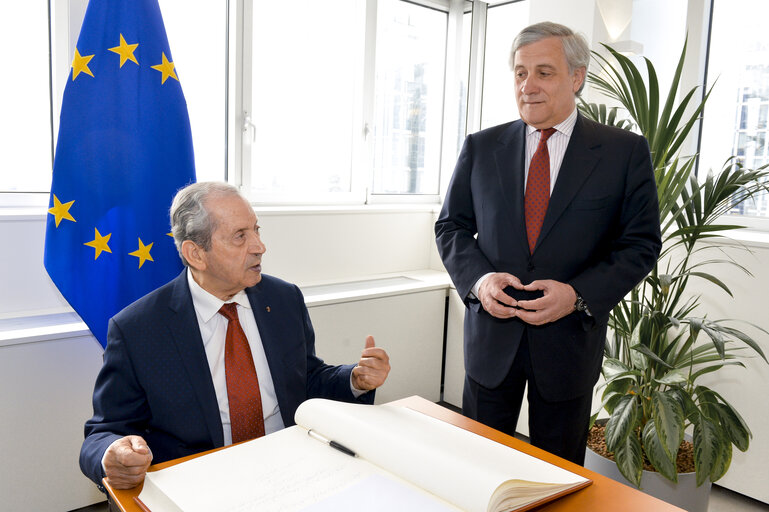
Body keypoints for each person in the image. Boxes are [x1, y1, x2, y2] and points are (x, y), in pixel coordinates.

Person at [434, 21, 661, 464]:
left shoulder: (622, 153)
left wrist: (577, 295)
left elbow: (639, 245)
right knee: (474, 463)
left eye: (544, 72)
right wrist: (479, 281)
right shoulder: (481, 148)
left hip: (567, 347)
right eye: (520, 73)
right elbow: (451, 227)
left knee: (556, 477)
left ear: (576, 78)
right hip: (490, 342)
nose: (528, 86)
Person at [80, 181, 391, 489]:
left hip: (293, 464)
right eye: (240, 236)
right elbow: (104, 431)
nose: (259, 246)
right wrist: (113, 455)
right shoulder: (138, 328)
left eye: (256, 230)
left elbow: (306, 379)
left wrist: (355, 380)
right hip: (202, 481)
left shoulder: (283, 299)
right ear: (196, 254)